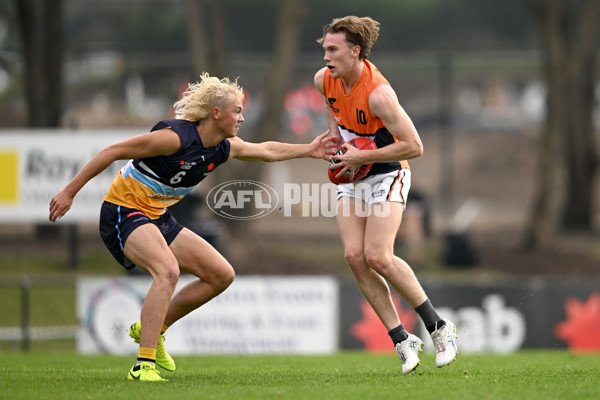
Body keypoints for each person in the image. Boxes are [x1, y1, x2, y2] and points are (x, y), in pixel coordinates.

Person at [49, 73, 335, 382]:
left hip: (157, 216)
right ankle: (142, 366)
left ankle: (153, 329)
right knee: (168, 271)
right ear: (216, 114)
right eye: (237, 110)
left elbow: (265, 151)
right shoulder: (174, 138)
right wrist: (69, 192)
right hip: (124, 210)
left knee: (221, 275)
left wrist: (309, 149)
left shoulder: (223, 147)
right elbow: (112, 152)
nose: (242, 116)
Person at [314, 16, 458, 374]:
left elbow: (415, 146)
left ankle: (439, 327)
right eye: (325, 49)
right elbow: (334, 111)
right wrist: (337, 142)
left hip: (388, 174)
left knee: (378, 255)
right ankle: (401, 339)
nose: (326, 56)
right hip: (353, 173)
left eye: (333, 49)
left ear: (355, 51)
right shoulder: (323, 80)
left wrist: (361, 155)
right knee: (353, 256)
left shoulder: (379, 94)